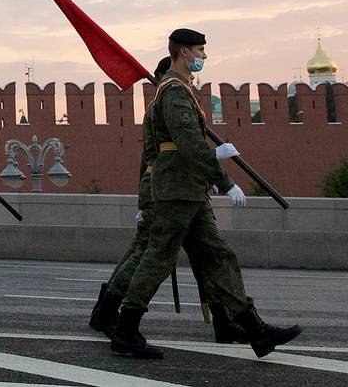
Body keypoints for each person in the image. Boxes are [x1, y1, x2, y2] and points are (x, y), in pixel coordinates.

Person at [110, 28, 302, 359]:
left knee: (217, 255)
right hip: (176, 190)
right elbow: (188, 144)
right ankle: (125, 329)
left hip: (189, 189)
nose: (203, 57)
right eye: (200, 50)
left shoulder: (180, 90)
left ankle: (254, 329)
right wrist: (224, 179)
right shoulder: (173, 92)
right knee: (158, 257)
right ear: (184, 52)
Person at [89, 57, 249, 345]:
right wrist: (146, 200)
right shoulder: (167, 101)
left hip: (184, 186)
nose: (191, 79)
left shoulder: (171, 100)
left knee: (205, 256)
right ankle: (108, 312)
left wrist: (205, 176)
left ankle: (225, 320)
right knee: (149, 255)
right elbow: (160, 157)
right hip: (166, 188)